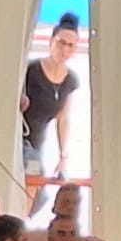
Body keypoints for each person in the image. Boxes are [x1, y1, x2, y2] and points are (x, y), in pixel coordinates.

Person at [21, 12, 81, 189]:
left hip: (37, 142)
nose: (65, 50)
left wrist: (63, 154)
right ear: (51, 41)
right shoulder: (30, 70)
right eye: (61, 43)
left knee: (39, 191)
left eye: (71, 46)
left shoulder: (70, 80)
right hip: (21, 138)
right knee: (32, 178)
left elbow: (63, 118)